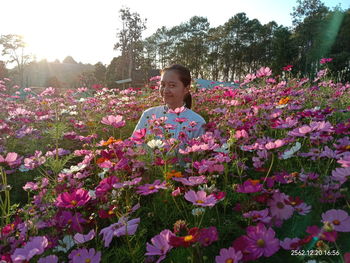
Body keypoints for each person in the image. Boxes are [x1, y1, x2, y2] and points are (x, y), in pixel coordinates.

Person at [133, 64, 206, 141]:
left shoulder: (197, 122)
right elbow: (133, 144)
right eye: (163, 85)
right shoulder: (149, 114)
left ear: (186, 89)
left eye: (172, 85)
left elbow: (200, 152)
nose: (165, 90)